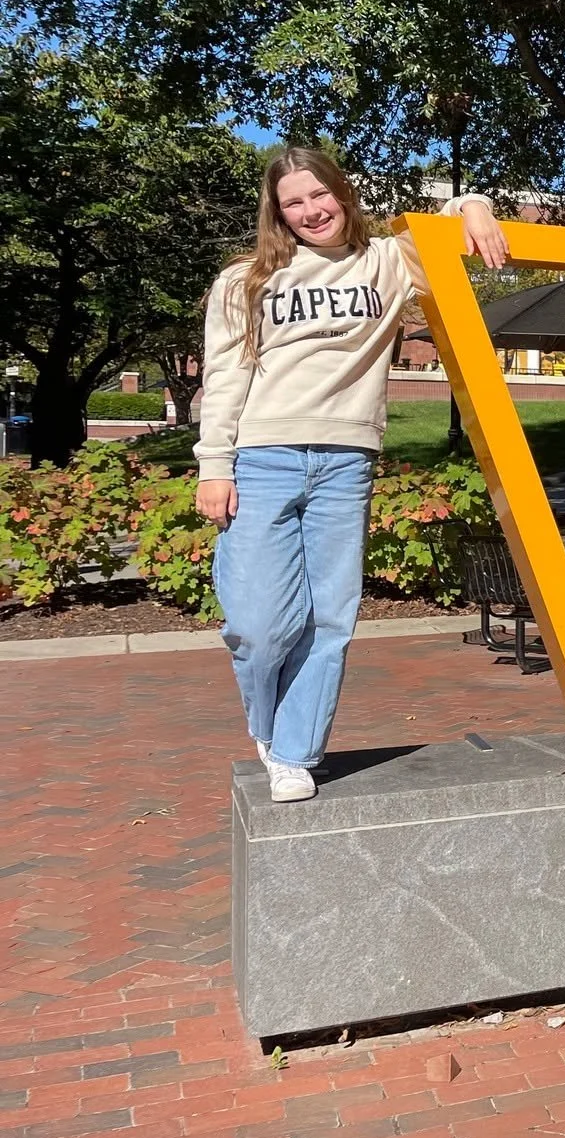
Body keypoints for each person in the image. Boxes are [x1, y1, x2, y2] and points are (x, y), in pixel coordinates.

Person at [197, 147, 508, 804]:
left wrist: (474, 203)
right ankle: (266, 720)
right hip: (264, 456)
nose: (312, 211)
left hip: (346, 462)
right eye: (294, 202)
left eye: (320, 195)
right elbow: (226, 378)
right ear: (277, 212)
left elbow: (447, 228)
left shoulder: (386, 262)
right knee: (259, 624)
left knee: (331, 618)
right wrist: (215, 466)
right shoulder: (244, 280)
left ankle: (294, 752)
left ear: (342, 193)